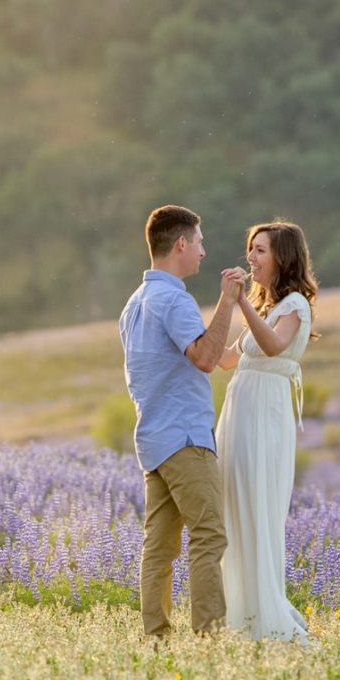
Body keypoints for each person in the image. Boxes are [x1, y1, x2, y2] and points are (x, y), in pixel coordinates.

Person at [118, 205, 246, 641]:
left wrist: (243, 350)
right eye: (200, 243)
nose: (204, 253)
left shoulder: (134, 305)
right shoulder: (174, 299)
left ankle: (157, 638)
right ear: (181, 245)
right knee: (209, 535)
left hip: (154, 440)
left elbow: (209, 356)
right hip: (185, 439)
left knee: (159, 547)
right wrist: (228, 302)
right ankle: (209, 639)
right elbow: (205, 359)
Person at [216, 219, 317, 643]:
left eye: (261, 250)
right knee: (233, 505)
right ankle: (238, 612)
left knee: (258, 506)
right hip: (240, 410)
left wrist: (241, 305)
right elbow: (223, 360)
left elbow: (275, 346)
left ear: (282, 257)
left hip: (267, 413)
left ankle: (266, 614)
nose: (251, 258)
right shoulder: (260, 308)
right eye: (250, 249)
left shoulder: (294, 305)